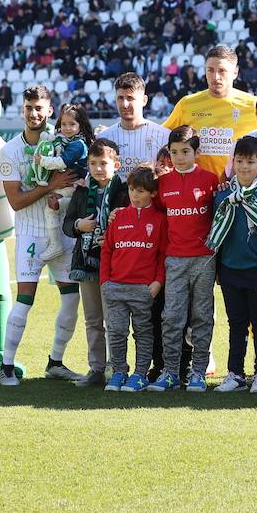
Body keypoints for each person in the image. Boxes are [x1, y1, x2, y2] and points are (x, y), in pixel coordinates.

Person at [0, 85, 83, 386]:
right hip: (31, 232)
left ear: (50, 111)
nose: (34, 113)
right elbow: (16, 201)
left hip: (62, 229)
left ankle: (55, 362)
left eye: (40, 108)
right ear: (23, 110)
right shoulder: (10, 151)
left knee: (72, 299)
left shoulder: (64, 144)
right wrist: (50, 186)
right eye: (29, 107)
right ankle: (6, 366)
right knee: (24, 300)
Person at [209, 135, 257, 394]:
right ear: (233, 163)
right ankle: (235, 373)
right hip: (231, 269)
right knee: (236, 323)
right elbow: (218, 234)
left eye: (250, 162)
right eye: (239, 161)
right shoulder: (223, 197)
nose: (244, 167)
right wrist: (219, 269)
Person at [148, 125, 220, 393]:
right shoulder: (163, 183)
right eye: (175, 152)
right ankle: (170, 373)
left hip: (203, 260)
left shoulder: (211, 180)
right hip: (174, 260)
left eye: (185, 151)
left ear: (196, 152)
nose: (179, 157)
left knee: (202, 317)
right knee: (171, 317)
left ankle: (199, 372)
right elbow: (153, 214)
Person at [62, 138, 128, 388]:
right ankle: (96, 368)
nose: (98, 168)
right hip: (87, 263)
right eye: (93, 163)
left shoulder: (124, 192)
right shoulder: (81, 192)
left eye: (104, 163)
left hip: (114, 265)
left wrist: (112, 231)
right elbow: (67, 225)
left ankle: (117, 367)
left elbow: (133, 224)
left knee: (115, 320)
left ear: (116, 164)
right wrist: (80, 225)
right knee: (92, 319)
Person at [100, 166, 166, 392]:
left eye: (140, 191)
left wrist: (156, 283)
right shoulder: (119, 217)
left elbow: (162, 255)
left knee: (143, 333)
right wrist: (105, 282)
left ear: (153, 193)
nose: (134, 195)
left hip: (143, 290)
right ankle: (119, 372)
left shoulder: (159, 220)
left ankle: (139, 375)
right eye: (131, 190)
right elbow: (107, 250)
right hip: (115, 288)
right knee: (116, 332)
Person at [163, 45, 257, 178]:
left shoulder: (254, 105)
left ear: (235, 72)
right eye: (210, 70)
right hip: (198, 189)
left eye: (222, 71)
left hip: (238, 188)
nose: (216, 76)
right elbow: (162, 136)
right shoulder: (187, 104)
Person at [34, 103, 93, 263]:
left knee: (51, 208)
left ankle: (55, 244)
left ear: (81, 126)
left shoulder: (77, 144)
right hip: (65, 185)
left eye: (72, 124)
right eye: (64, 124)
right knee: (53, 205)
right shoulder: (63, 140)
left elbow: (62, 162)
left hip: (74, 186)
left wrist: (42, 161)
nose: (67, 128)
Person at [100, 73, 170, 180]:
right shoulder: (103, 138)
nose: (124, 104)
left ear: (144, 100)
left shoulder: (164, 136)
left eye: (130, 98)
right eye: (120, 98)